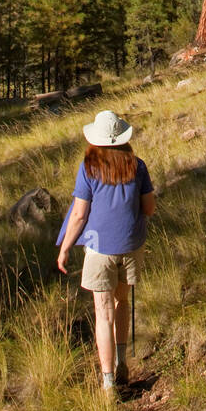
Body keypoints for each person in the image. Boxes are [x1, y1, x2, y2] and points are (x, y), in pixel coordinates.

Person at [56, 109, 156, 395]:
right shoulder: (138, 166)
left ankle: (108, 382)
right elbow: (149, 208)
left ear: (97, 140)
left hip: (99, 248)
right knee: (121, 302)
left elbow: (78, 215)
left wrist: (64, 249)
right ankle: (123, 361)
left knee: (103, 313)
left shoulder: (88, 168)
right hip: (130, 245)